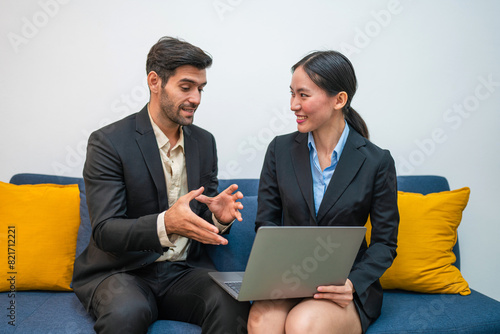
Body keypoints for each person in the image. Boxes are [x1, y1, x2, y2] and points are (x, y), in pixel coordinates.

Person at [72, 36, 251, 334]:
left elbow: (199, 219)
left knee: (235, 302)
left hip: (183, 270)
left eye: (200, 88)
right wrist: (166, 223)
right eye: (186, 87)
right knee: (126, 313)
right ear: (155, 81)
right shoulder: (109, 142)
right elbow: (105, 231)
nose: (196, 98)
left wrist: (218, 218)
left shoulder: (204, 142)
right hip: (123, 271)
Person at [247, 51, 399, 334]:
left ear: (339, 100)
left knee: (303, 324)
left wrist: (352, 283)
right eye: (292, 94)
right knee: (261, 320)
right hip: (288, 280)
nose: (294, 105)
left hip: (344, 286)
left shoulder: (377, 161)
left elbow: (385, 243)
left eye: (303, 95)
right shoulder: (279, 150)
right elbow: (266, 223)